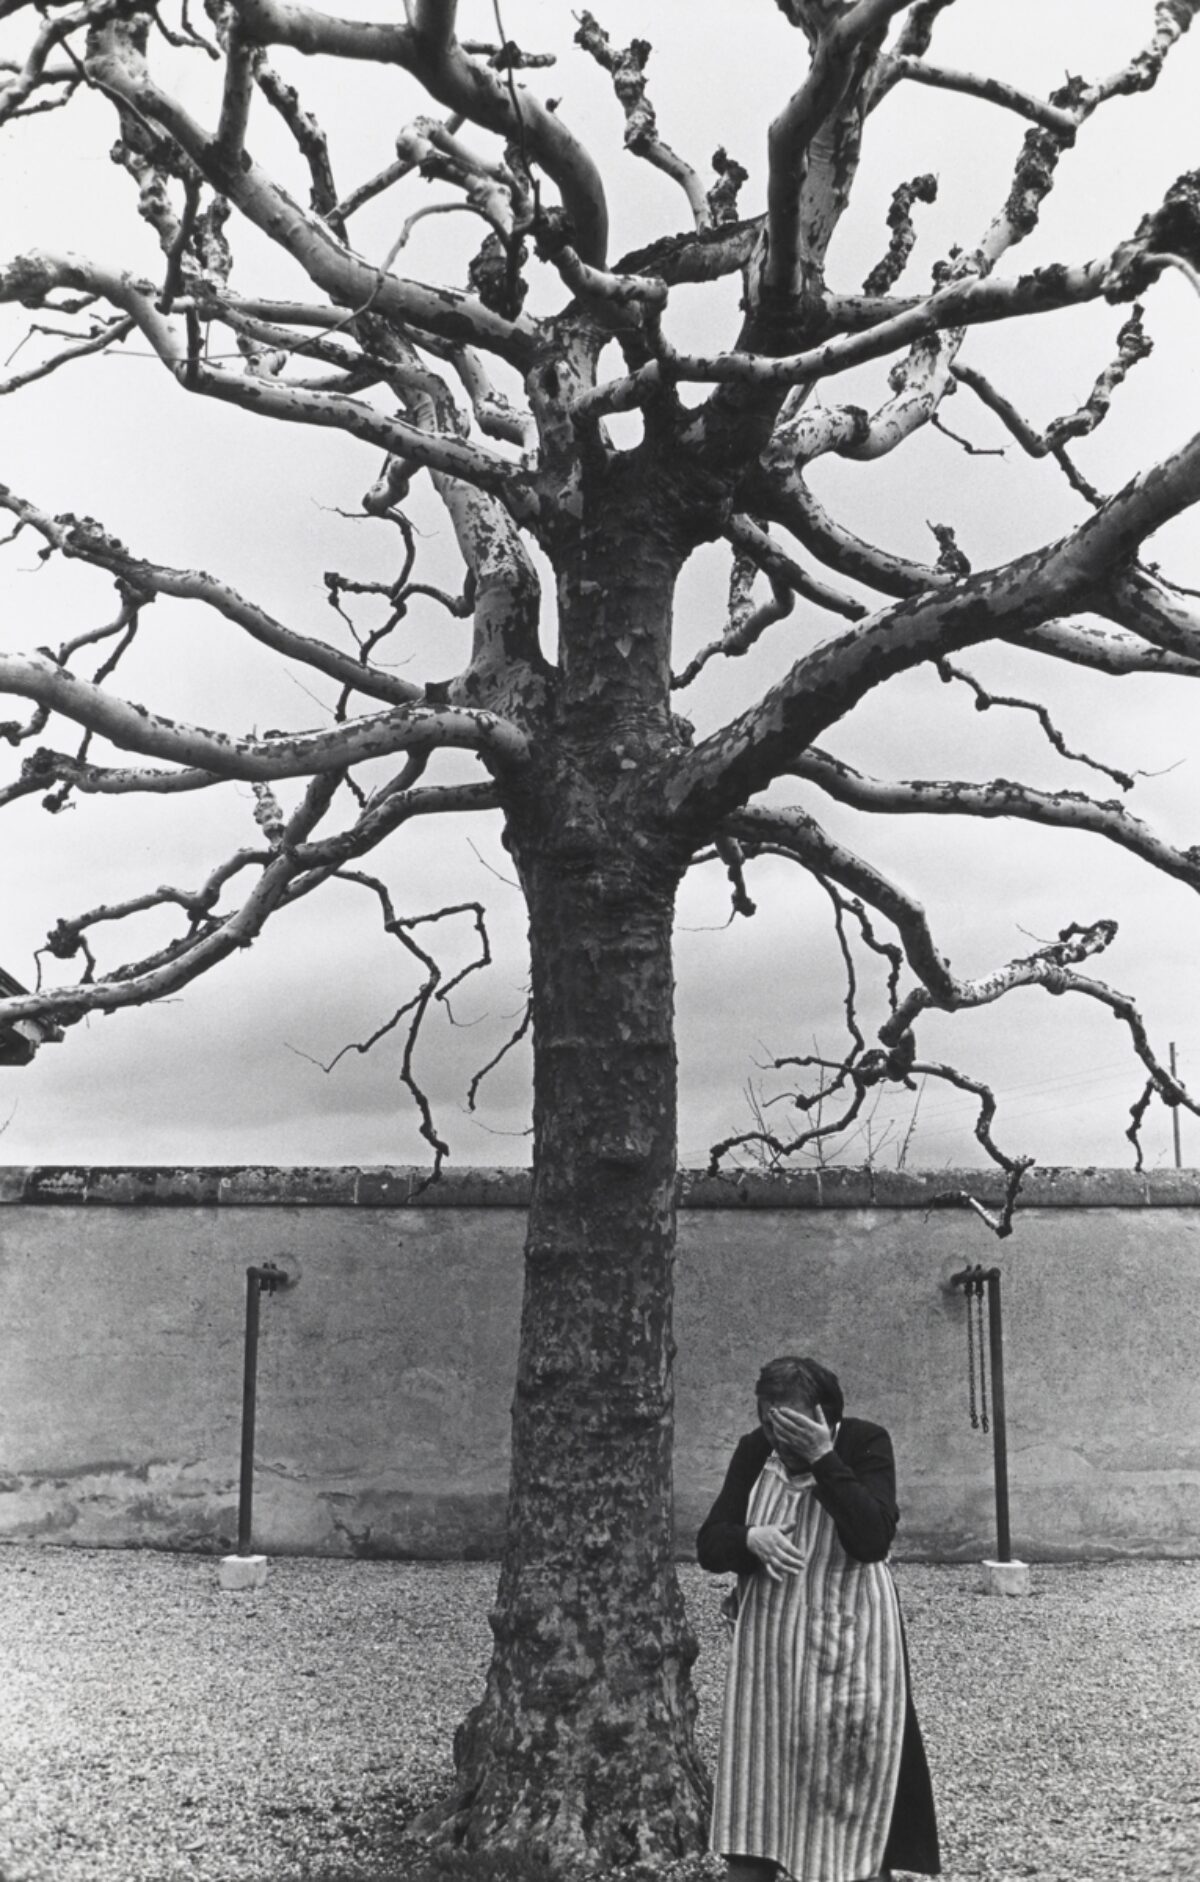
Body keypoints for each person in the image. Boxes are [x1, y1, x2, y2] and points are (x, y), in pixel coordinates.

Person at [697, 1355, 940, 1882]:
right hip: (769, 1657)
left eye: (791, 1425)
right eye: (769, 1424)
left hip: (848, 1649)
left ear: (824, 1416)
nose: (778, 1438)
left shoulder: (865, 1442)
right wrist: (748, 1539)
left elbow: (872, 1539)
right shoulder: (754, 1451)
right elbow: (709, 1545)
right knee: (760, 1791)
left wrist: (823, 1458)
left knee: (847, 1795)